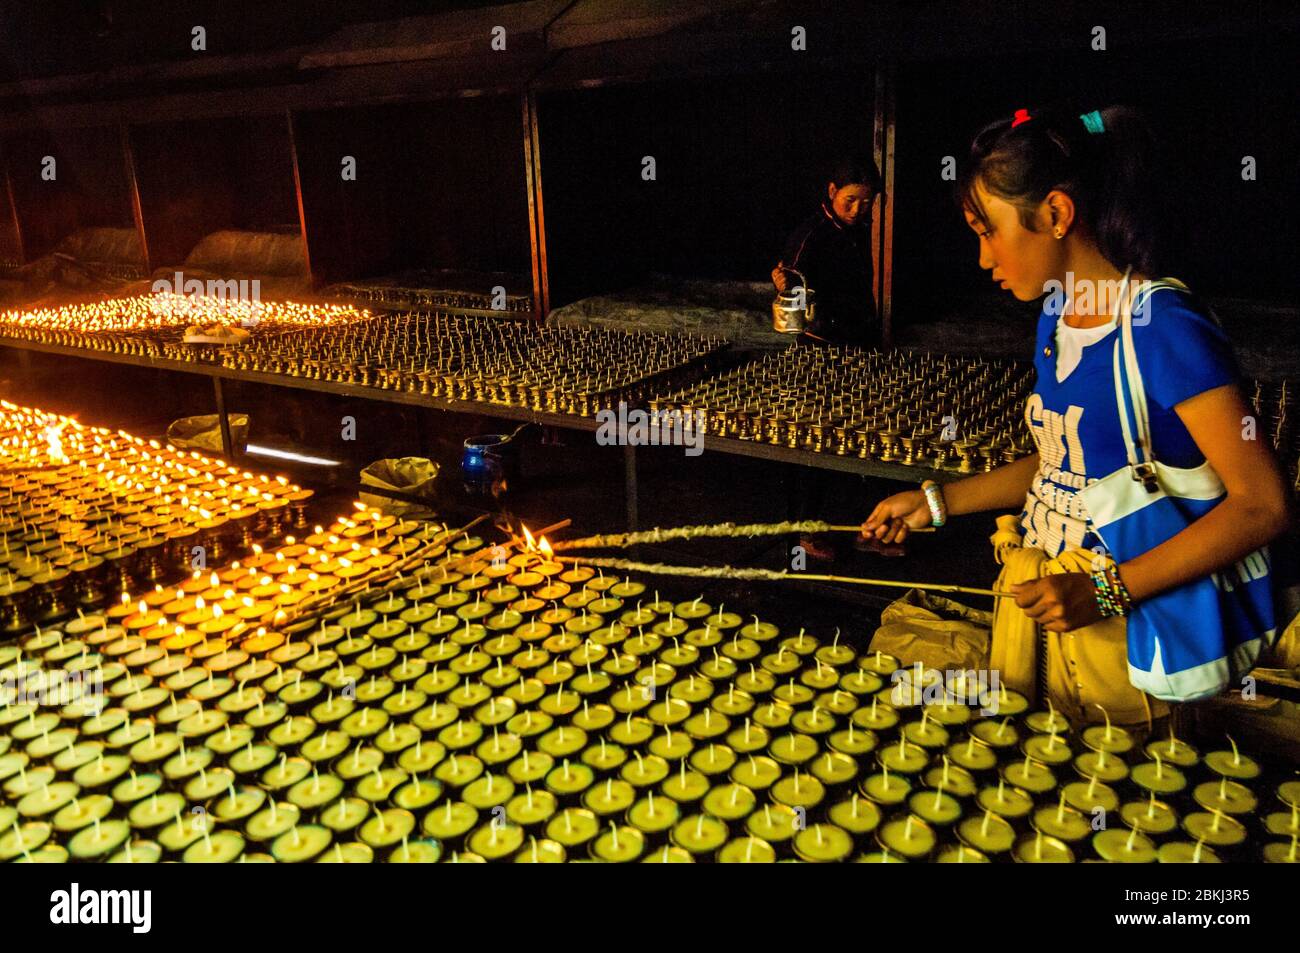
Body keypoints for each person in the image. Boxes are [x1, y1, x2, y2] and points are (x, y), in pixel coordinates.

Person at [861, 104, 1291, 728]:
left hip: (1128, 638)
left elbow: (1263, 504)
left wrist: (1105, 590)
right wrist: (936, 503)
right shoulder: (1056, 318)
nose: (984, 259)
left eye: (989, 232)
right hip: (1049, 613)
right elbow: (1064, 463)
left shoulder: (1162, 326)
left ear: (1057, 214)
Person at [772, 154, 882, 349]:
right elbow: (793, 284)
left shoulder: (868, 230)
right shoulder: (811, 235)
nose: (856, 209)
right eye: (850, 200)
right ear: (833, 191)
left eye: (865, 203)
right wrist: (784, 283)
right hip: (821, 342)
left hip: (862, 339)